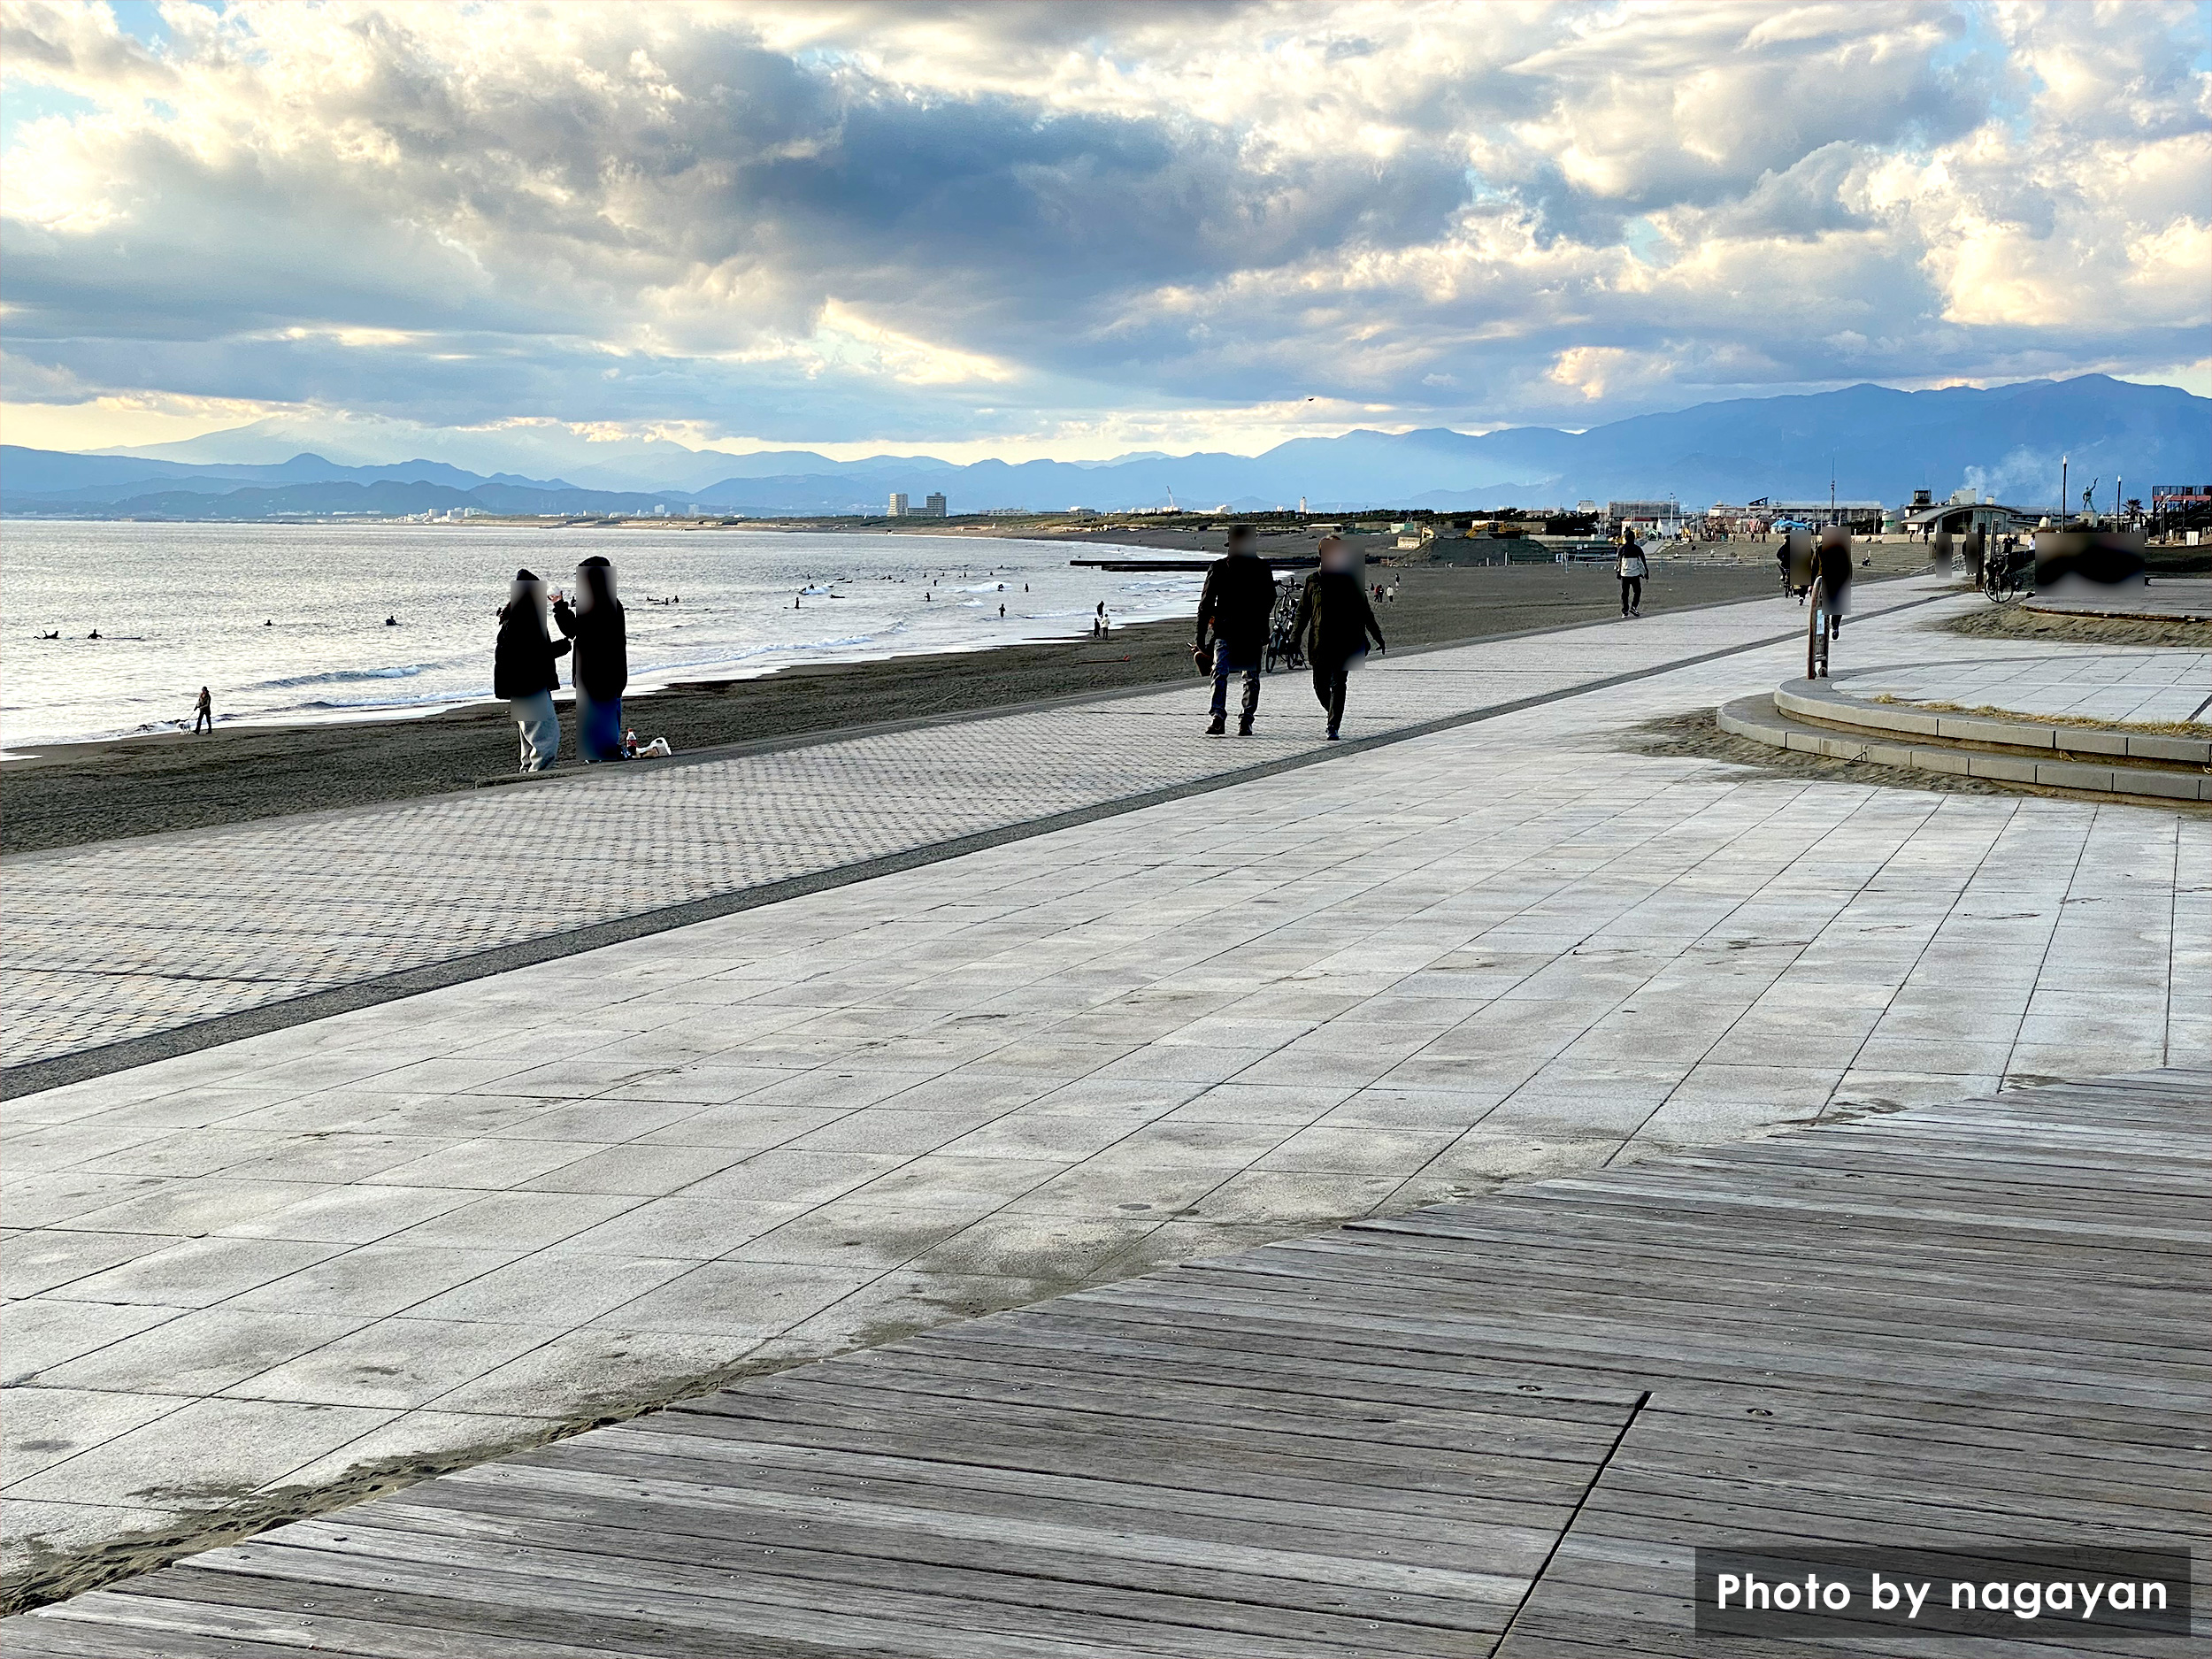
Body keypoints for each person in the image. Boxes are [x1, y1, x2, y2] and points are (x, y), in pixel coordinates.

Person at [1292, 536, 1386, 741]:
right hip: (1319, 641)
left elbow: (1364, 611)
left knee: (1338, 683)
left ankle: (1333, 724)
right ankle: (1333, 711)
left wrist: (1377, 635)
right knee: (1320, 686)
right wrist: (1294, 638)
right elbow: (1302, 612)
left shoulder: (1349, 579)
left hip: (1345, 641)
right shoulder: (1312, 581)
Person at [1193, 524, 1275, 735]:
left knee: (1246, 676)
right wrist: (1201, 634)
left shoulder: (1261, 568)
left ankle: (1245, 719)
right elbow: (1206, 603)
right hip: (1227, 630)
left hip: (1249, 631)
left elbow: (1269, 598)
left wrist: (1261, 621)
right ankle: (1219, 717)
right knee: (1222, 672)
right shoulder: (1220, 568)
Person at [554, 555, 628, 764]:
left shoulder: (596, 602)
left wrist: (559, 606)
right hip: (612, 671)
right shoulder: (612, 602)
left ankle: (601, 752)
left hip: (595, 672)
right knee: (608, 712)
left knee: (597, 716)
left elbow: (573, 631)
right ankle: (604, 751)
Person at [494, 567, 568, 772]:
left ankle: (527, 774)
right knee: (545, 738)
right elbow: (531, 654)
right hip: (529, 685)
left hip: (521, 686)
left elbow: (523, 654)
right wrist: (564, 645)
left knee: (530, 739)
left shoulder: (514, 615)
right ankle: (537, 778)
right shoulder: (525, 618)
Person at [1617, 530, 1648, 617]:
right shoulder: (1637, 549)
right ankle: (1634, 607)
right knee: (1637, 591)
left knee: (1625, 593)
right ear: (1634, 538)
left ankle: (1625, 611)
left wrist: (1618, 572)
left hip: (1624, 574)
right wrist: (1646, 573)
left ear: (1625, 538)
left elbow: (1618, 561)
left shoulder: (1622, 549)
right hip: (1635, 574)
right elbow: (1642, 562)